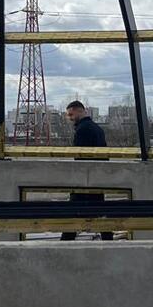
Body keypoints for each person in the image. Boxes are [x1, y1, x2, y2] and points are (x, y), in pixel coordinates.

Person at [63, 101, 112, 241]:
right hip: (97, 179)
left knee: (74, 214)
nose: (70, 118)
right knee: (100, 214)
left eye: (71, 114)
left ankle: (65, 244)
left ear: (80, 111)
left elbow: (80, 157)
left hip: (84, 179)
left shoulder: (82, 130)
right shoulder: (97, 128)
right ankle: (108, 242)